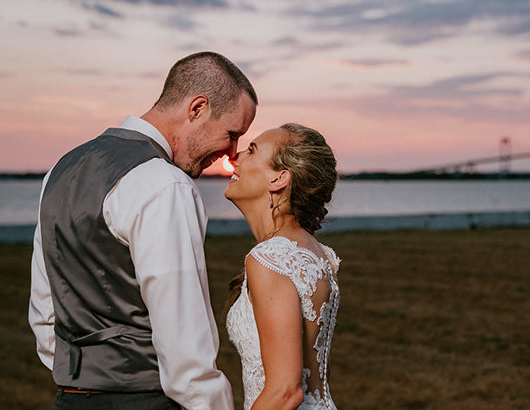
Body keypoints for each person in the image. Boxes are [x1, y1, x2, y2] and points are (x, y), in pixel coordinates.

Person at [28, 51, 257, 410]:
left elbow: (45, 313)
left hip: (69, 399)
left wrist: (85, 379)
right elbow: (187, 357)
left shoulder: (60, 169)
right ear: (197, 108)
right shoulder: (166, 186)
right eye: (232, 134)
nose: (232, 152)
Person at [224, 123, 340, 410]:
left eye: (251, 151)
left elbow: (285, 392)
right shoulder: (316, 252)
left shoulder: (271, 258)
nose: (234, 156)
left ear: (279, 179)